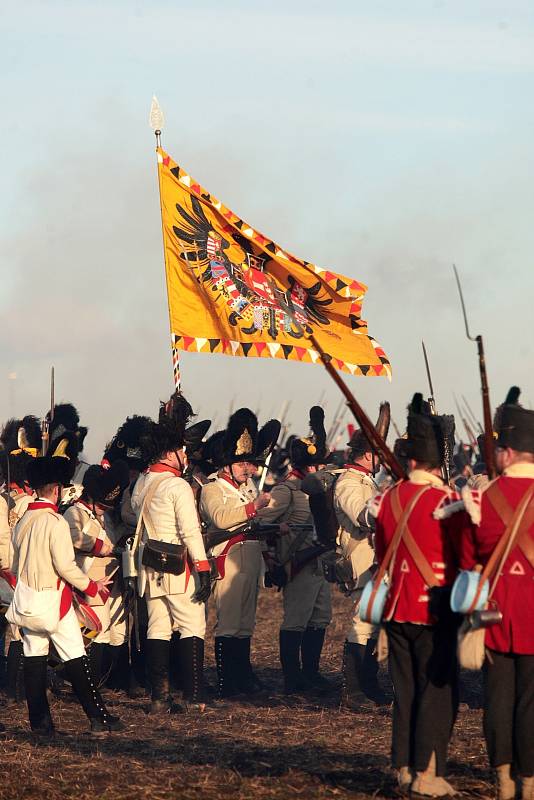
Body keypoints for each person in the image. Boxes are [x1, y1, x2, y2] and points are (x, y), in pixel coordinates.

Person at [372, 393, 467, 797]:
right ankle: (428, 773)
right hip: (434, 608)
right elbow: (463, 559)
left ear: (410, 459)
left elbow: (380, 553)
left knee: (405, 690)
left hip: (395, 606)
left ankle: (404, 767)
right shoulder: (446, 500)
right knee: (437, 690)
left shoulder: (388, 499)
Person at [10, 454, 122, 735]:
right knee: (76, 656)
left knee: (34, 657)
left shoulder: (23, 521)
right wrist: (93, 587)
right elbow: (66, 568)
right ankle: (98, 718)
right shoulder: (56, 522)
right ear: (57, 490)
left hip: (26, 600)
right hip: (55, 602)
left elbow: (15, 565)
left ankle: (41, 725)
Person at [459, 388, 534, 800]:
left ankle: (503, 776)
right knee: (530, 700)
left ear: (506, 452)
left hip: (494, 615)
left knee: (498, 697)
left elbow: (469, 561)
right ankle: (530, 780)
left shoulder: (483, 498)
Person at [131, 393, 212, 714]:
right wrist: (203, 566)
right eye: (180, 449)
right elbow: (190, 530)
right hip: (178, 562)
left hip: (149, 563)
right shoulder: (177, 486)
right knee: (192, 625)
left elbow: (128, 515)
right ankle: (193, 698)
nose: (185, 454)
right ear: (169, 452)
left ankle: (159, 698)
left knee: (158, 626)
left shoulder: (141, 482)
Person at [199, 409, 280, 697]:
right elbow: (221, 519)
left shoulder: (244, 489)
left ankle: (243, 676)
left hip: (250, 557)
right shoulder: (212, 490)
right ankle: (227, 681)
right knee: (230, 621)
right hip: (228, 559)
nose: (249, 469)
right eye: (243, 463)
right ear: (228, 464)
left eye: (251, 463)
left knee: (246, 622)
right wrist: (253, 508)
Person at [260, 406, 332, 694]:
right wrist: (280, 530)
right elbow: (262, 526)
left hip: (318, 563)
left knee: (320, 617)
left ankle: (311, 673)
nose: (317, 470)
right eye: (312, 466)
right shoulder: (286, 490)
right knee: (296, 621)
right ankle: (292, 677)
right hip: (297, 564)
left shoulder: (318, 489)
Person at [334, 404, 390, 709]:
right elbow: (362, 517)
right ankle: (352, 691)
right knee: (362, 621)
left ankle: (369, 684)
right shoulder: (348, 483)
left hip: (375, 557)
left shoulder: (368, 482)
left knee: (374, 621)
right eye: (378, 454)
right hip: (360, 557)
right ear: (368, 455)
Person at [63, 460, 129, 686]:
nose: (105, 509)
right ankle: (88, 684)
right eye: (102, 504)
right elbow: (72, 537)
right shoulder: (74, 512)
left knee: (115, 630)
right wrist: (103, 547)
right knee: (97, 629)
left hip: (112, 578)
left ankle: (108, 679)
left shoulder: (106, 515)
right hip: (90, 577)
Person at [0, 416, 41, 705]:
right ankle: (12, 688)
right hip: (13, 569)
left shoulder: (8, 497)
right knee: (17, 630)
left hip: (11, 568)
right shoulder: (27, 503)